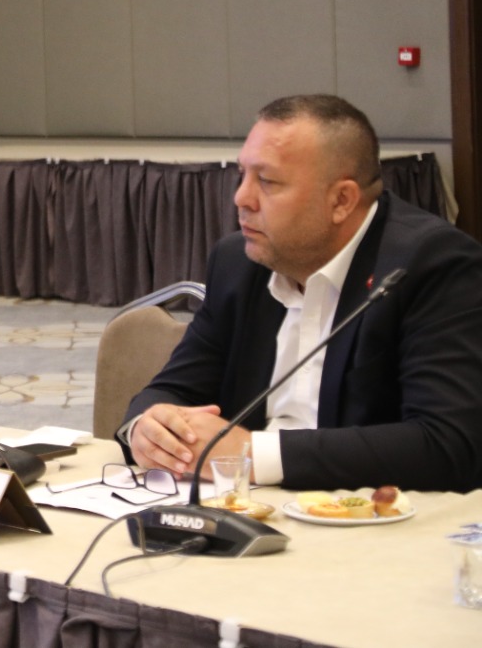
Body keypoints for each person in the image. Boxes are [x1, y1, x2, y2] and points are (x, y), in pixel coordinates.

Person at [124, 95, 482, 492]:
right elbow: (175, 388)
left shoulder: (431, 265)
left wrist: (252, 454)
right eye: (242, 175)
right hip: (241, 506)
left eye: (267, 181)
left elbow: (448, 444)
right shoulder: (238, 262)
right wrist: (147, 427)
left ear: (341, 200)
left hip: (367, 514)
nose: (241, 198)